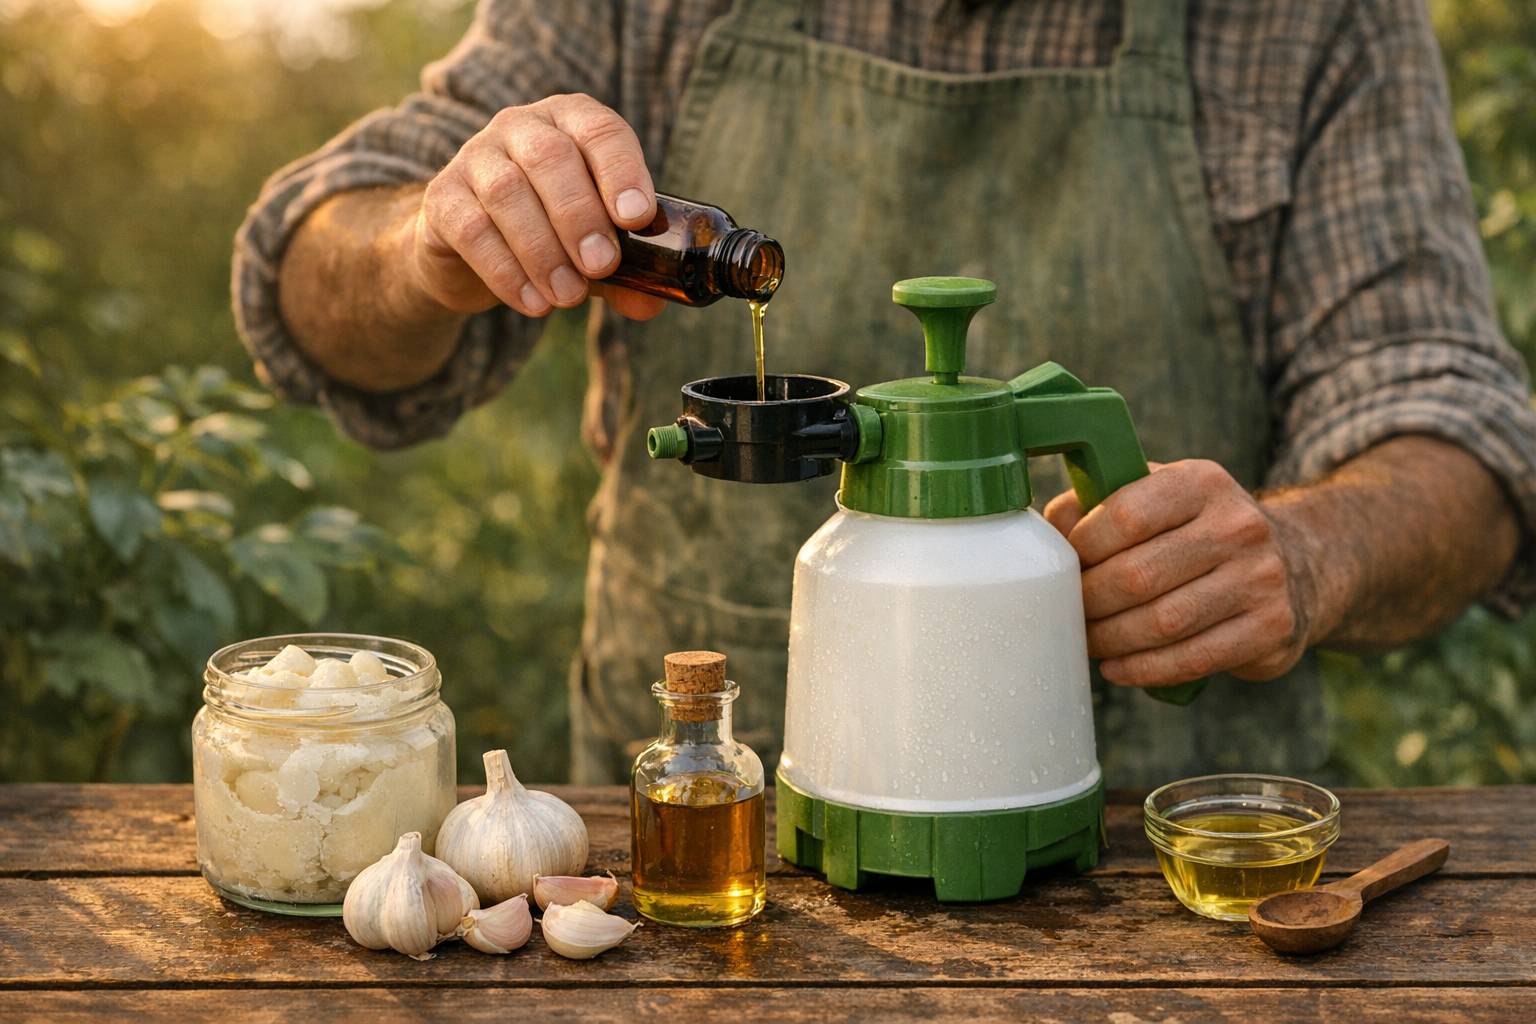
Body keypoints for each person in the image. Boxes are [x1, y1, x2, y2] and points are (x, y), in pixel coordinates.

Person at [234, 0, 1536, 786]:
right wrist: (427, 243)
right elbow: (305, 281)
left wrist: (1307, 552)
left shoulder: (1312, 23)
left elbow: (1464, 442)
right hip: (700, 843)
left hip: (1159, 869)